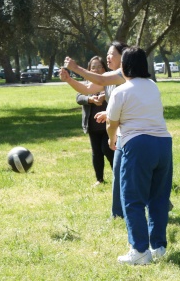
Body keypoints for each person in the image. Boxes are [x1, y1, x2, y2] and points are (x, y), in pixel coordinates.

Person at [105, 46, 173, 265]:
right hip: (163, 143)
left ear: (124, 67)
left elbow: (111, 122)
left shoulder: (121, 91)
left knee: (133, 199)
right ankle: (158, 247)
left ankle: (140, 251)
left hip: (138, 145)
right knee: (159, 198)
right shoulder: (153, 86)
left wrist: (111, 138)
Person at [61, 41, 128, 218]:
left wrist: (76, 68)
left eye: (111, 54)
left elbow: (99, 79)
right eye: (107, 53)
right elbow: (87, 88)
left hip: (132, 132)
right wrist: (69, 79)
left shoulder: (125, 74)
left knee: (129, 172)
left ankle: (157, 202)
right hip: (121, 132)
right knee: (123, 171)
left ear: (123, 56)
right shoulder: (111, 77)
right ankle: (119, 213)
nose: (108, 56)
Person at [75, 56, 114, 186]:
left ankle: (118, 175)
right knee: (96, 152)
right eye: (93, 67)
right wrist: (90, 100)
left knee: (107, 149)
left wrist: (105, 97)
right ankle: (99, 179)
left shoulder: (110, 82)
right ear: (89, 69)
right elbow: (79, 97)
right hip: (92, 126)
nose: (96, 70)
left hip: (108, 125)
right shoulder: (87, 84)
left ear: (104, 68)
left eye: (99, 67)